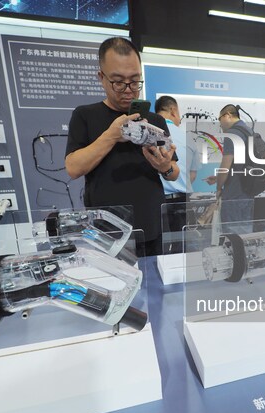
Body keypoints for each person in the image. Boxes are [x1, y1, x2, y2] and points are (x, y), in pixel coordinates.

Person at [65, 37, 179, 256]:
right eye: (118, 81)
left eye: (135, 81)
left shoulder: (155, 121)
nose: (129, 90)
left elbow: (173, 173)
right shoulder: (85, 116)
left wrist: (165, 167)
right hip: (108, 233)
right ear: (101, 78)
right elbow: (73, 168)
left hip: (152, 224)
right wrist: (110, 135)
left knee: (155, 285)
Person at [155, 95, 200, 252]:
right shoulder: (190, 138)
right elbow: (192, 175)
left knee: (159, 245)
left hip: (157, 201)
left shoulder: (149, 135)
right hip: (183, 202)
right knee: (182, 247)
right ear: (173, 110)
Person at [205, 104, 254, 230]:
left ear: (227, 115)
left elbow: (226, 165)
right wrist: (218, 177)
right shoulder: (249, 131)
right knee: (246, 233)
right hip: (247, 193)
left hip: (233, 195)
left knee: (233, 236)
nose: (220, 125)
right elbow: (240, 166)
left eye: (219, 119)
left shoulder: (232, 134)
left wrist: (219, 187)